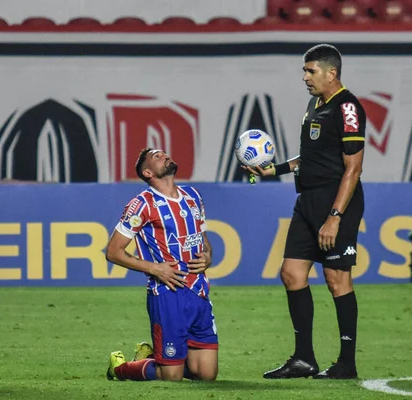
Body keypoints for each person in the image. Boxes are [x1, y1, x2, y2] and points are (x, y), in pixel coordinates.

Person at [246, 44, 365, 379]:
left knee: (337, 279)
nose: (305, 77)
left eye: (311, 71)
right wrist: (275, 170)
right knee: (291, 274)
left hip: (336, 203)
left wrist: (335, 216)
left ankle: (346, 363)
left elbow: (353, 168)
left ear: (332, 72)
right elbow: (308, 158)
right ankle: (303, 359)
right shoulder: (316, 105)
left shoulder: (348, 107)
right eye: (305, 71)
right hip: (307, 201)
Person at [105, 148, 218, 382]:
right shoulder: (142, 205)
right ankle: (121, 368)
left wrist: (207, 256)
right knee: (171, 378)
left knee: (206, 375)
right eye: (157, 156)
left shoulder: (193, 196)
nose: (165, 156)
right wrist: (155, 268)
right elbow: (113, 252)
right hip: (168, 294)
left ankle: (162, 358)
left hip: (199, 292)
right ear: (147, 172)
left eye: (165, 153)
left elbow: (204, 241)